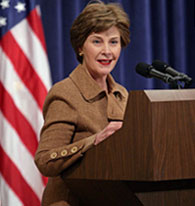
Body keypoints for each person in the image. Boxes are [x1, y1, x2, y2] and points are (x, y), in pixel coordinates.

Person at [34, 1, 130, 205]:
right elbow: (45, 160)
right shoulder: (65, 93)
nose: (107, 51)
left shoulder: (121, 94)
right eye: (97, 41)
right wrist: (93, 141)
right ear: (80, 47)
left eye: (114, 42)